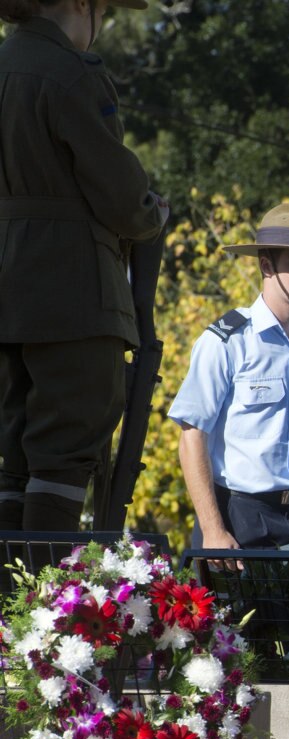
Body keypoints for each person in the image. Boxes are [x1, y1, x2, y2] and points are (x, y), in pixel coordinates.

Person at [0, 0, 167, 532]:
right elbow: (122, 196)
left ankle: (10, 604)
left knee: (14, 457)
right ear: (79, 5)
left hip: (7, 296)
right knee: (65, 453)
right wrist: (150, 215)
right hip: (72, 292)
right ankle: (45, 611)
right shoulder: (71, 72)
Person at [169, 202, 289, 555]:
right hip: (238, 516)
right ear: (265, 265)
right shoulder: (227, 340)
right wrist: (212, 529)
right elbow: (191, 435)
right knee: (247, 613)